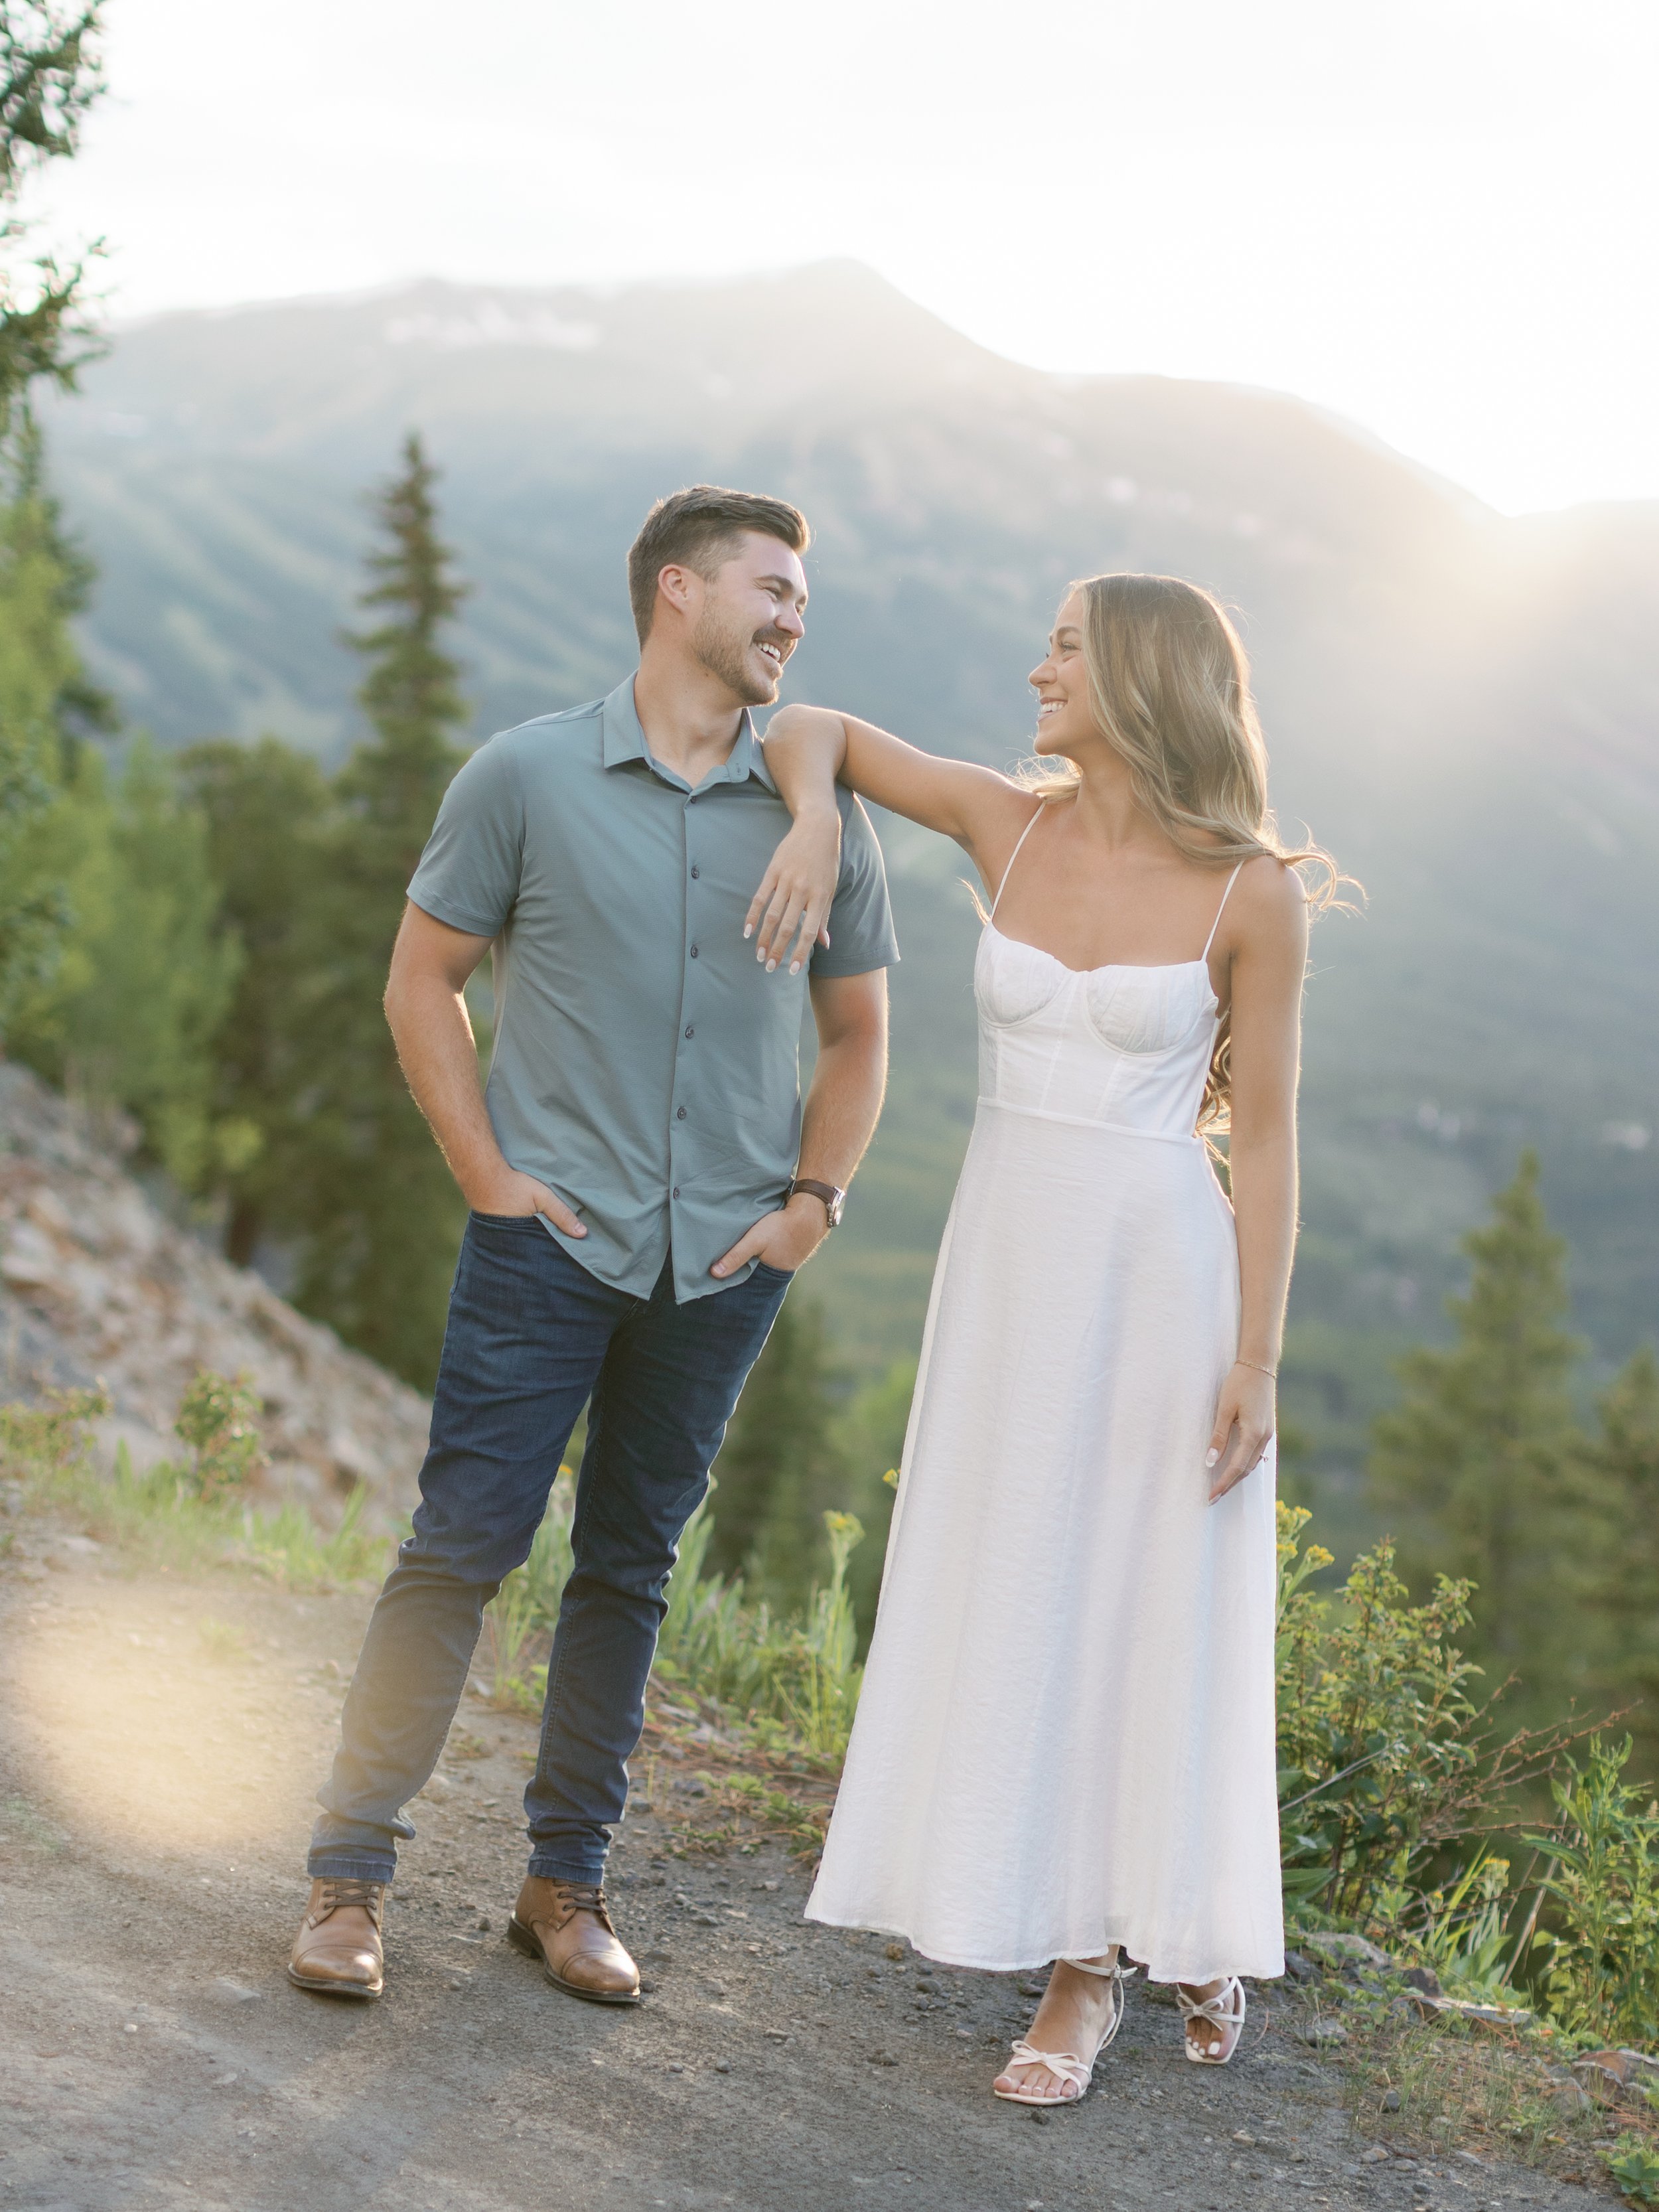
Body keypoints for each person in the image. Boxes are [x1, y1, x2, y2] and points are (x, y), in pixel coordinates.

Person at [289, 485, 897, 2006]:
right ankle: (347, 1880)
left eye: (800, 594)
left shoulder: (814, 807)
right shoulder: (527, 776)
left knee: (629, 1568)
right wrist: (486, 1173)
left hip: (723, 1268)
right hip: (547, 1244)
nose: (792, 614)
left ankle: (565, 1887)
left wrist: (812, 1202)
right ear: (677, 591)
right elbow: (420, 979)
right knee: (462, 1549)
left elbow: (860, 1026)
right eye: (769, 586)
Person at [748, 572, 1336, 2104]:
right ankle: (1038, 1893)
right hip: (1009, 1260)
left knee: (1132, 1589)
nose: (1035, 669)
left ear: (1142, 675)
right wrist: (814, 817)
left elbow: (1265, 1144)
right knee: (1017, 1569)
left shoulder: (1248, 893)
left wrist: (1255, 1359)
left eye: (1064, 648)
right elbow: (806, 725)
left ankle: (1090, 1970)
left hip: (1158, 1272)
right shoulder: (1007, 823)